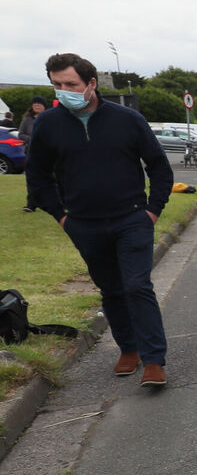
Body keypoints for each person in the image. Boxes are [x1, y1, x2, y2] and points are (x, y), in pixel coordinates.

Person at [25, 53, 173, 387]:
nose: (64, 91)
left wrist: (153, 209)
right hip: (84, 223)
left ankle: (154, 360)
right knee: (111, 289)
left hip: (132, 218)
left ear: (91, 83)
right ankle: (129, 348)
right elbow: (37, 176)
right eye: (57, 85)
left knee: (137, 286)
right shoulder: (48, 124)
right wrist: (62, 217)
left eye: (71, 84)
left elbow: (159, 166)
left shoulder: (127, 119)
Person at [18, 96, 49, 213]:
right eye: (34, 103)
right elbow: (20, 134)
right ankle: (31, 204)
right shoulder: (27, 119)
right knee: (31, 179)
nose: (36, 105)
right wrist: (32, 139)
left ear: (44, 106)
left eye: (39, 103)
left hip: (48, 153)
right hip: (31, 153)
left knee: (51, 178)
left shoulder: (50, 118)